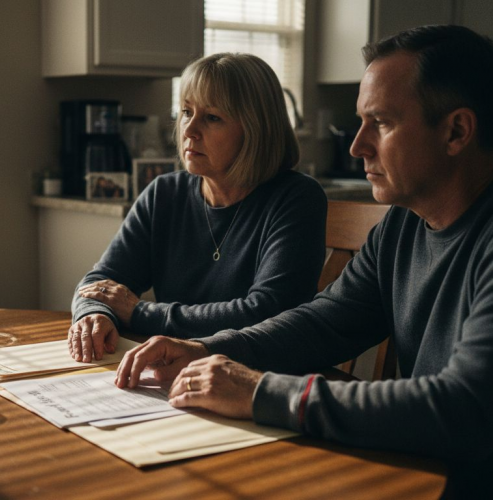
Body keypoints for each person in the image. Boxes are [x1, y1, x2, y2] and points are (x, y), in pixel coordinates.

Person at [115, 25, 493, 495]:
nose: (357, 146)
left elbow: (466, 409)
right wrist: (209, 349)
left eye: (381, 122)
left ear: (456, 131)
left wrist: (259, 392)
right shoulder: (403, 225)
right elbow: (325, 322)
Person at [68, 53, 327, 362]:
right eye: (186, 112)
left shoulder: (296, 198)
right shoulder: (165, 192)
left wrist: (141, 313)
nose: (189, 130)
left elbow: (267, 311)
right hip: (174, 369)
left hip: (257, 379)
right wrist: (95, 315)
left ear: (256, 129)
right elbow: (100, 282)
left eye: (212, 118)